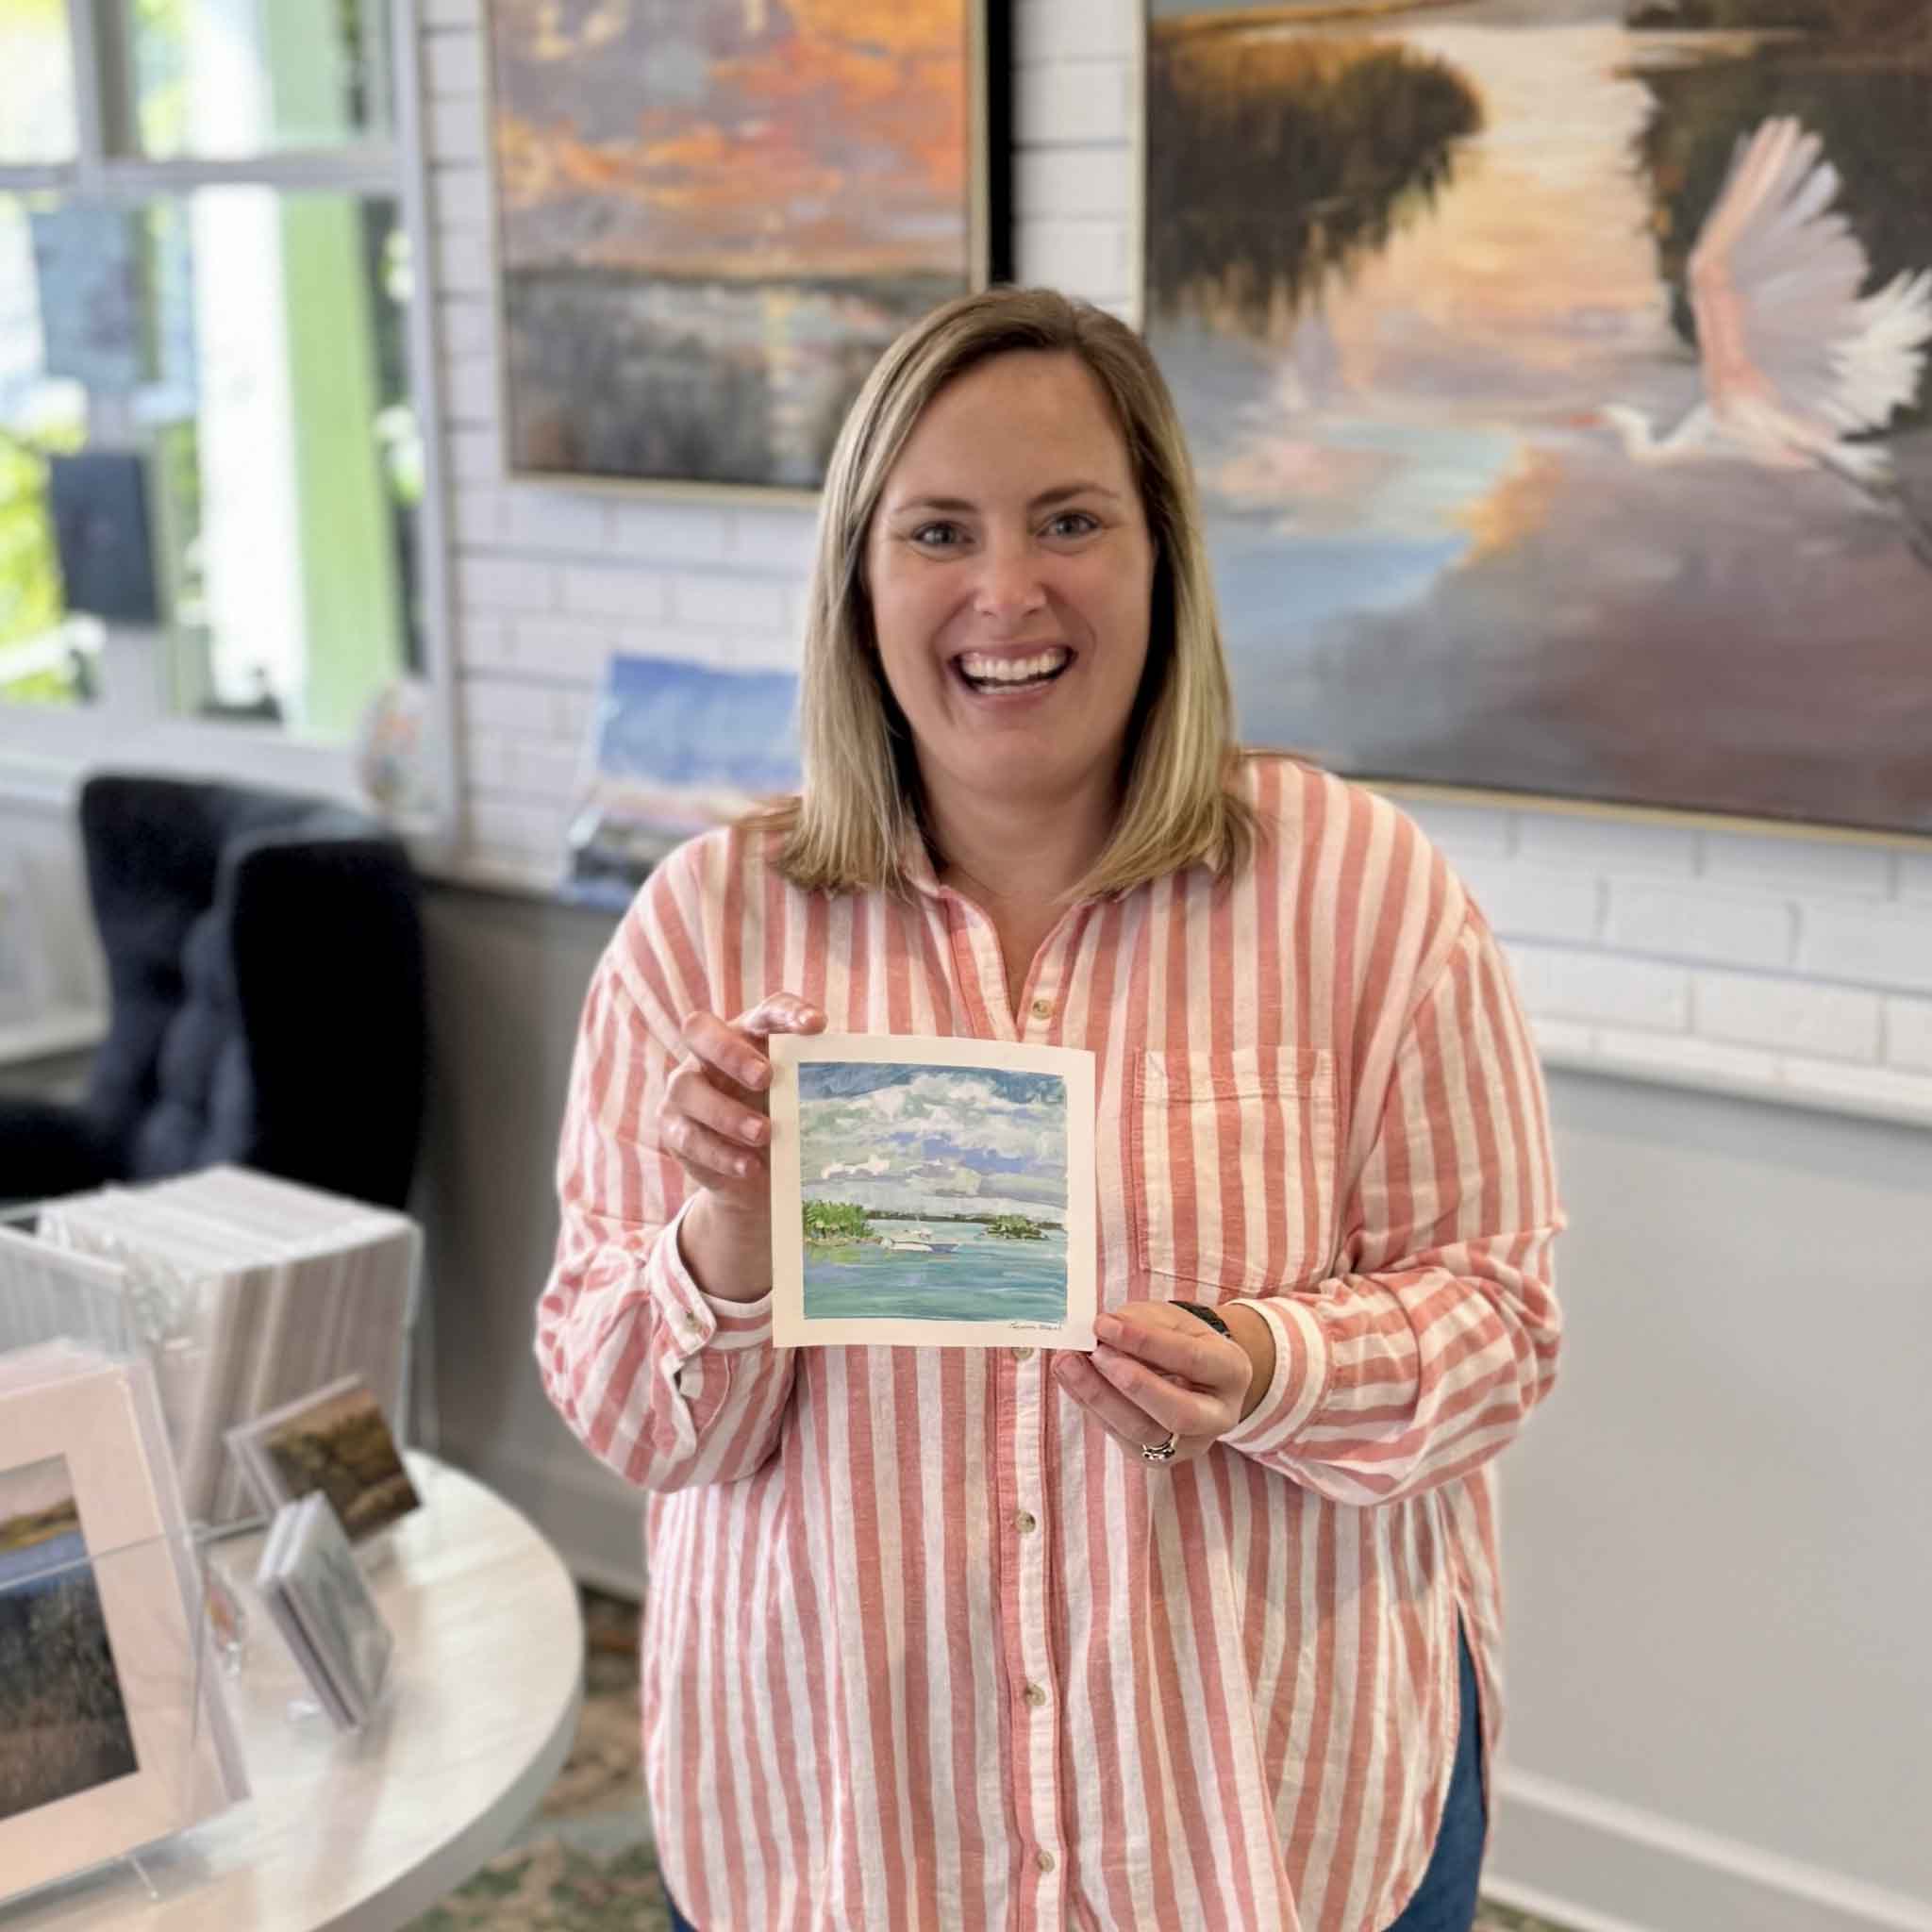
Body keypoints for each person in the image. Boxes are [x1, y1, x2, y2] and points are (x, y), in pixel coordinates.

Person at [535, 286, 1564, 1932]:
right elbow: (640, 1425)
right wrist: (727, 1238)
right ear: (860, 579)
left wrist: (1269, 1367)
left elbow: (1500, 1327)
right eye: (937, 531)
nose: (1005, 592)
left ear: (1161, 557)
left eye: (1069, 521)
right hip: (853, 1840)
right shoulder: (704, 930)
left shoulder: (1363, 897)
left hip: (1261, 1826)